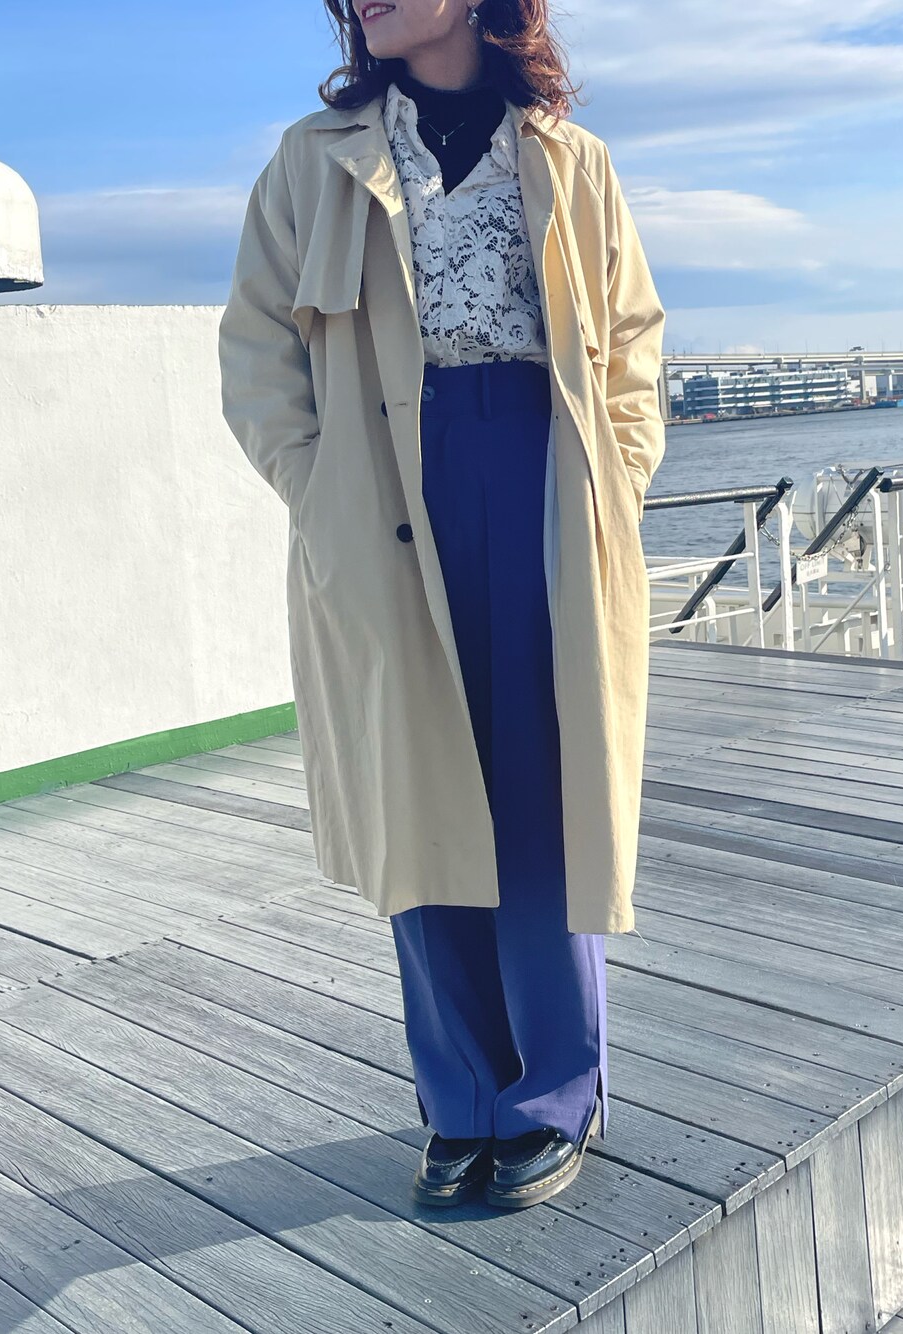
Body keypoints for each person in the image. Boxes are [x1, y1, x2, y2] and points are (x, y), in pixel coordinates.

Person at [218, 0, 667, 1212]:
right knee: (419, 788)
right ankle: (461, 1093)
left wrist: (614, 482)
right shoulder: (314, 160)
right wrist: (320, 489)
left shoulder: (567, 155)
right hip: (381, 492)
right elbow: (256, 351)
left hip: (541, 483)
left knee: (541, 789)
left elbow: (632, 344)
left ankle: (552, 1092)